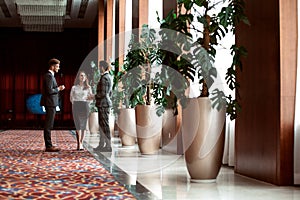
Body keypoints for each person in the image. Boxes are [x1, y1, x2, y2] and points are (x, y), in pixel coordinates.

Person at [40, 58, 65, 152]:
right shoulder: (49, 76)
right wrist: (59, 88)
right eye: (57, 66)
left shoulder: (51, 75)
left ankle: (49, 144)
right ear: (53, 66)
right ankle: (48, 146)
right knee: (48, 124)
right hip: (50, 103)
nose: (58, 68)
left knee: (50, 124)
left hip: (51, 103)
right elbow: (50, 91)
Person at [70, 71, 93, 150]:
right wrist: (75, 103)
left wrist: (87, 103)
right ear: (78, 77)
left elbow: (91, 98)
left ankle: (81, 143)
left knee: (83, 125)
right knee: (78, 125)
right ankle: (78, 143)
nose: (82, 77)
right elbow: (71, 98)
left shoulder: (88, 87)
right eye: (81, 76)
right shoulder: (74, 87)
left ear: (86, 77)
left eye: (83, 76)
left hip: (85, 106)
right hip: (76, 106)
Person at [94, 60, 112, 152]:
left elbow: (103, 93)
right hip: (104, 103)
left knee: (104, 125)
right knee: (102, 125)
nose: (98, 68)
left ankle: (108, 146)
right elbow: (110, 93)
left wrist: (94, 96)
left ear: (102, 67)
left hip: (103, 104)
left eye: (99, 66)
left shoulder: (105, 78)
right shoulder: (108, 76)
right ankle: (102, 145)